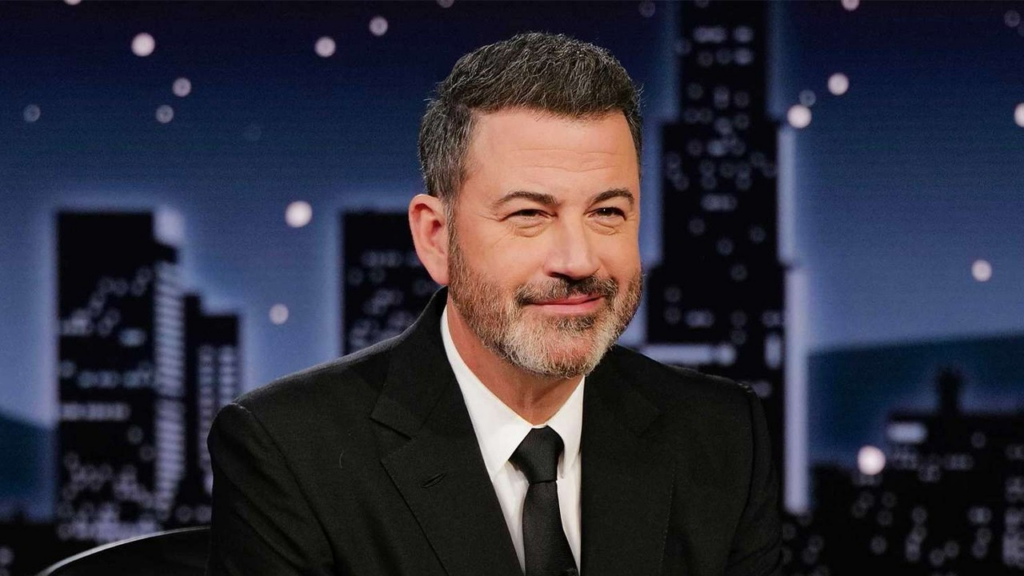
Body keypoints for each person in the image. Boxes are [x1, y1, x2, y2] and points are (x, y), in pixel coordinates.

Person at [206, 32, 781, 576]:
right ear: (436, 238)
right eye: (529, 214)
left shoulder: (723, 434)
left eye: (607, 212)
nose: (578, 260)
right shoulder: (289, 450)